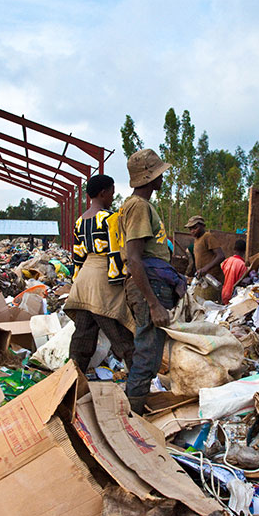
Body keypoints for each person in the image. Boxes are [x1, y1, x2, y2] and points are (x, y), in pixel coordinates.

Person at [118, 149, 186, 414]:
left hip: (152, 284)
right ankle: (132, 416)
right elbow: (134, 259)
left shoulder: (138, 206)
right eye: (158, 173)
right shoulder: (139, 206)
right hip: (150, 286)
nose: (162, 177)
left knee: (149, 351)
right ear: (148, 177)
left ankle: (134, 407)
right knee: (148, 354)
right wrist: (154, 303)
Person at [65, 174, 135, 375]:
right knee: (120, 330)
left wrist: (76, 280)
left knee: (83, 333)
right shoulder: (110, 218)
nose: (113, 196)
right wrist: (123, 278)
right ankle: (139, 381)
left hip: (84, 280)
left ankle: (73, 376)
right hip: (103, 279)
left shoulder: (80, 221)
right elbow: (117, 252)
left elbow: (78, 255)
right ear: (103, 193)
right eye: (112, 191)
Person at [185, 215, 225, 302]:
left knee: (209, 305)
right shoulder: (196, 240)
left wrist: (205, 268)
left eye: (195, 228)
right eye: (190, 229)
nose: (192, 231)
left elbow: (221, 256)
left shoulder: (207, 237)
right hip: (203, 280)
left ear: (202, 226)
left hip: (212, 279)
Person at [220, 239, 248, 304]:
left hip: (222, 293)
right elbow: (241, 282)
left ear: (234, 249)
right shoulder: (242, 265)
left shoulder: (227, 261)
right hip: (232, 296)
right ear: (244, 251)